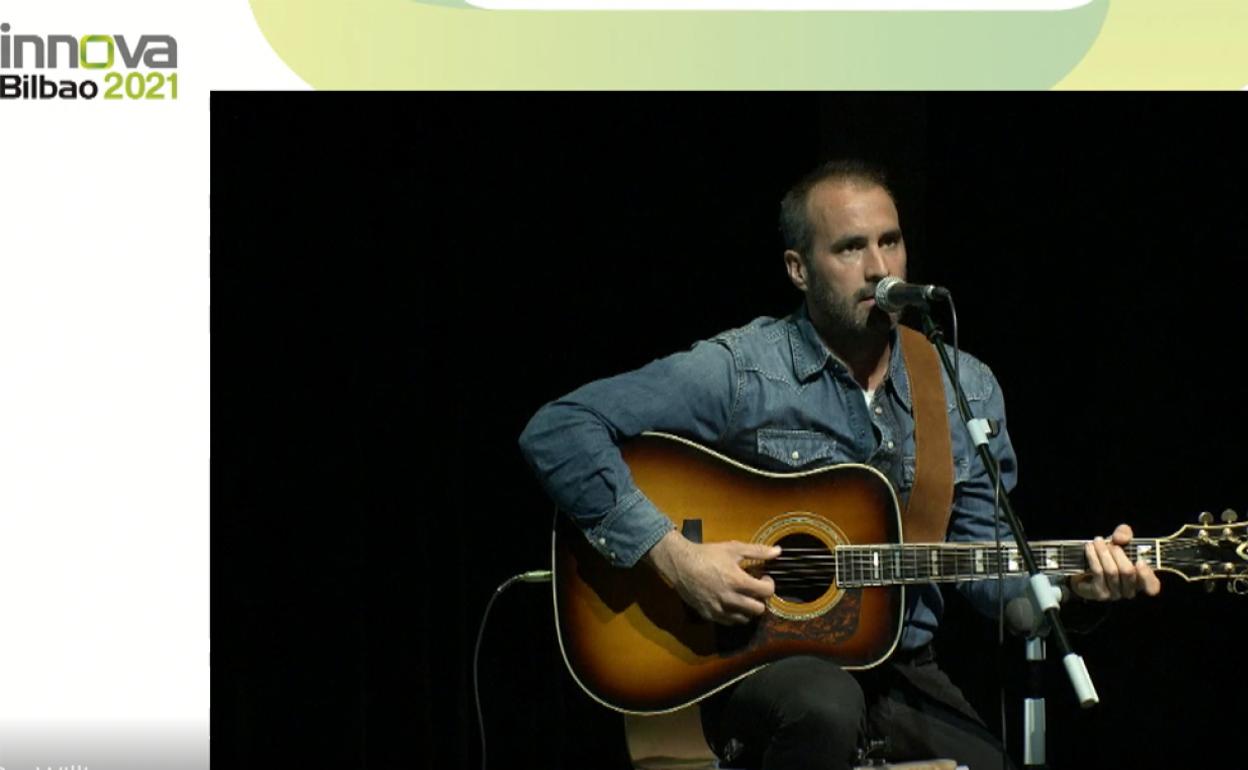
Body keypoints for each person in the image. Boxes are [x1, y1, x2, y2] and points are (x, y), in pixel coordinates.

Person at [518, 159, 1160, 770]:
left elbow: (988, 573)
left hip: (900, 667)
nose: (879, 268)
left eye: (890, 241)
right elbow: (559, 430)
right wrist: (677, 559)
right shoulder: (744, 369)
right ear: (798, 269)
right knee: (824, 707)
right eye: (851, 248)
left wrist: (1076, 589)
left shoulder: (962, 386)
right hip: (755, 666)